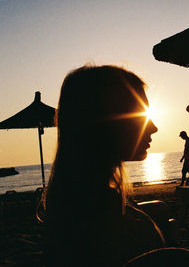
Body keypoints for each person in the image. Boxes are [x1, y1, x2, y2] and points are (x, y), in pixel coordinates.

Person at [40, 65, 164, 266]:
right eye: (140, 115)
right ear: (103, 123)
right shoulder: (102, 222)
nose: (153, 127)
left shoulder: (73, 206)